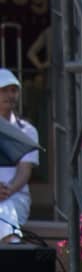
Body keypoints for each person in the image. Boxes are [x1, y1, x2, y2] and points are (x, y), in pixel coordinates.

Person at [0, 69, 38, 242]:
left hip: (15, 197)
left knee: (5, 210)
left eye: (13, 90)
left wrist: (7, 191)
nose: (10, 95)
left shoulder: (27, 131)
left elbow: (25, 171)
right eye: (4, 90)